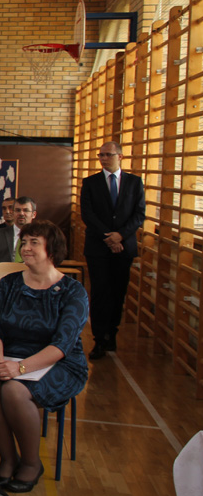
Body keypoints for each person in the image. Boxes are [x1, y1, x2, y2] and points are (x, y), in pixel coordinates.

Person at [0, 220, 88, 493]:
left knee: (14, 391)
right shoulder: (8, 283)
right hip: (8, 356)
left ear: (52, 249)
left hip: (60, 363)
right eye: (24, 242)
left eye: (34, 243)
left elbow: (62, 345)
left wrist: (20, 369)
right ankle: (8, 458)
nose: (25, 248)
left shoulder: (73, 291)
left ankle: (31, 463)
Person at [81, 141, 146, 359]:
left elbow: (139, 214)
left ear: (120, 156)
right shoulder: (90, 183)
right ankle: (99, 339)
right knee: (100, 293)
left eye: (108, 154)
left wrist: (121, 236)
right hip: (98, 247)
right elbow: (88, 214)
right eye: (101, 155)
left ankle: (112, 333)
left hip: (124, 247)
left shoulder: (134, 182)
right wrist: (109, 237)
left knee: (118, 292)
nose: (103, 158)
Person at [0, 195, 38, 278]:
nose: (21, 213)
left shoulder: (40, 237)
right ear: (13, 213)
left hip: (31, 279)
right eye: (18, 210)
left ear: (33, 214)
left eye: (25, 210)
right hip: (0, 279)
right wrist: (3, 274)